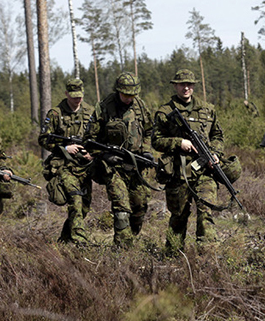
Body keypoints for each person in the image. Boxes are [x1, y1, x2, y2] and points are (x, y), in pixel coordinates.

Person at [152, 69, 226, 253]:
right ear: (175, 85)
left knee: (205, 213)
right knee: (178, 217)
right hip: (179, 172)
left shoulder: (207, 109)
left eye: (189, 84)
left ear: (194, 86)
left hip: (205, 172)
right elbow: (156, 141)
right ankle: (172, 256)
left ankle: (207, 257)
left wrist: (215, 152)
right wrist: (178, 143)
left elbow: (217, 135)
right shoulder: (165, 112)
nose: (186, 88)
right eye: (182, 84)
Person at [84, 72, 154, 247]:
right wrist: (103, 155)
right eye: (125, 95)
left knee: (139, 207)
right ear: (118, 91)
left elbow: (149, 131)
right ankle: (123, 252)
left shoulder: (140, 106)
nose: (129, 99)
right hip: (113, 168)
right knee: (121, 209)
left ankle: (132, 239)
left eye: (132, 95)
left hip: (137, 166)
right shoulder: (104, 108)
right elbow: (89, 139)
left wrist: (145, 151)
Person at [38, 78, 95, 245]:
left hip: (84, 167)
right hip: (63, 166)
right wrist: (64, 148)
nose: (77, 99)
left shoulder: (90, 112)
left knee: (84, 207)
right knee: (76, 200)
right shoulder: (55, 114)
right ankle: (80, 243)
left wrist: (91, 153)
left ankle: (65, 240)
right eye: (74, 96)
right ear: (66, 94)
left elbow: (98, 138)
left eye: (80, 96)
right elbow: (43, 139)